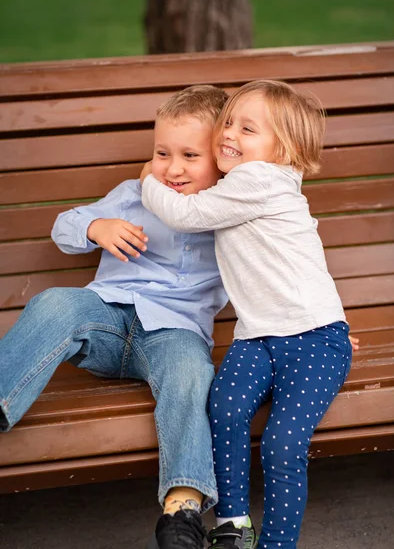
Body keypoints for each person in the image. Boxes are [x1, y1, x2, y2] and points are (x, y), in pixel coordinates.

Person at [0, 85, 230, 549]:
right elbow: (63, 227)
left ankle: (182, 514)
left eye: (190, 155)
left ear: (223, 161)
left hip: (174, 333)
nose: (173, 167)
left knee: (191, 374)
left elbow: (273, 274)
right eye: (162, 152)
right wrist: (94, 227)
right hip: (107, 318)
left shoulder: (230, 213)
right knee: (56, 302)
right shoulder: (133, 194)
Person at [141, 79, 355, 549]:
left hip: (312, 340)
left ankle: (277, 542)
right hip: (260, 336)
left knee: (282, 442)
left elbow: (186, 214)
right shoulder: (245, 183)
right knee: (226, 407)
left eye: (247, 128)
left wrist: (147, 180)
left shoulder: (261, 181)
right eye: (228, 123)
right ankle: (232, 524)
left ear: (284, 149)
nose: (229, 134)